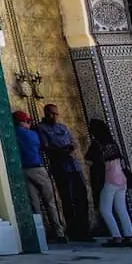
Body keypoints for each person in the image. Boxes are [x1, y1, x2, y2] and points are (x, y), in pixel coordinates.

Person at [36, 103, 92, 241]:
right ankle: (73, 230)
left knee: (81, 197)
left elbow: (73, 142)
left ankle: (85, 229)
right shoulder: (41, 128)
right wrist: (61, 150)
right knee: (67, 199)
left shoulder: (62, 127)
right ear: (46, 113)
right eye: (51, 113)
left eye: (56, 113)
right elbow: (46, 147)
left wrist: (71, 148)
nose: (54, 116)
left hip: (74, 166)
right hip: (60, 167)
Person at [13, 110, 67, 242]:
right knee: (50, 202)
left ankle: (40, 233)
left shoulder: (14, 133)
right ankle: (59, 232)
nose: (29, 124)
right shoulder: (32, 135)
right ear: (23, 122)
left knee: (34, 203)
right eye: (27, 121)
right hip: (38, 168)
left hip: (24, 170)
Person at [87, 118, 132, 247]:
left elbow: (91, 161)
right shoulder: (113, 143)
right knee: (121, 208)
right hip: (122, 179)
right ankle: (129, 235)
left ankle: (116, 236)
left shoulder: (97, 144)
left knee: (105, 209)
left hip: (110, 179)